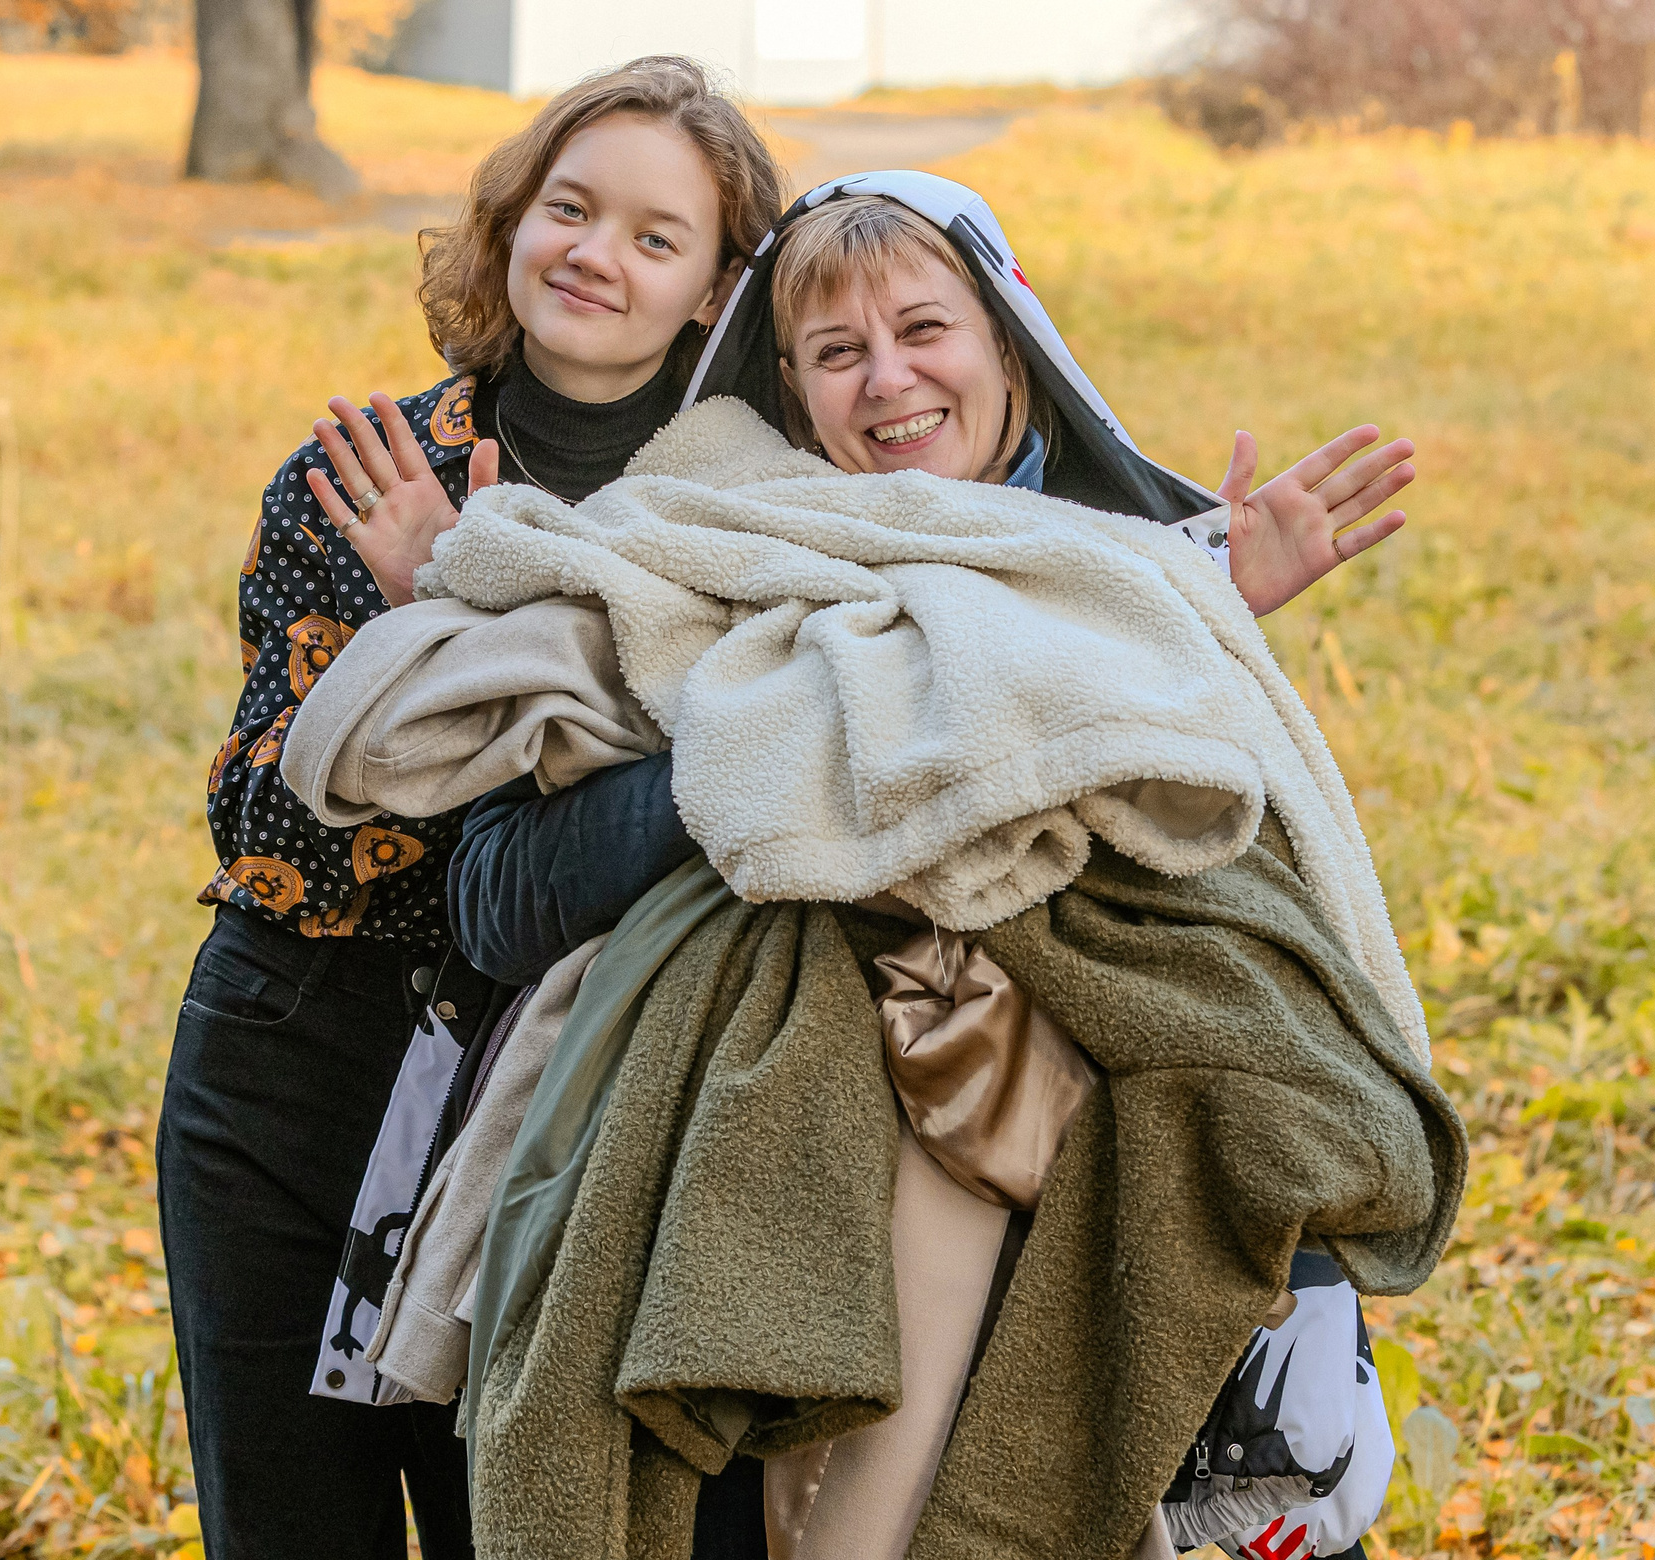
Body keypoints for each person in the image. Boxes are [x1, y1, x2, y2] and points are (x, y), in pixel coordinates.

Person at [443, 177, 1421, 1559]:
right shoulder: (701, 554)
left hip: (1067, 1207)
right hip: (757, 1189)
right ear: (787, 390)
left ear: (1009, 346)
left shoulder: (1136, 587)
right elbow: (504, 896)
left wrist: (1196, 618)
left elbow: (1253, 956)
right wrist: (790, 757)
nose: (887, 380)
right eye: (838, 353)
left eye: (924, 329)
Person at [157, 56, 784, 1560]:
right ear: (510, 225)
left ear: (713, 291)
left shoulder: (746, 517)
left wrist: (451, 633)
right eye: (569, 208)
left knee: (515, 1527)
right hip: (300, 1067)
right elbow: (269, 828)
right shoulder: (368, 472)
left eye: (654, 235)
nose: (595, 254)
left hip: (561, 1103)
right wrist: (427, 612)